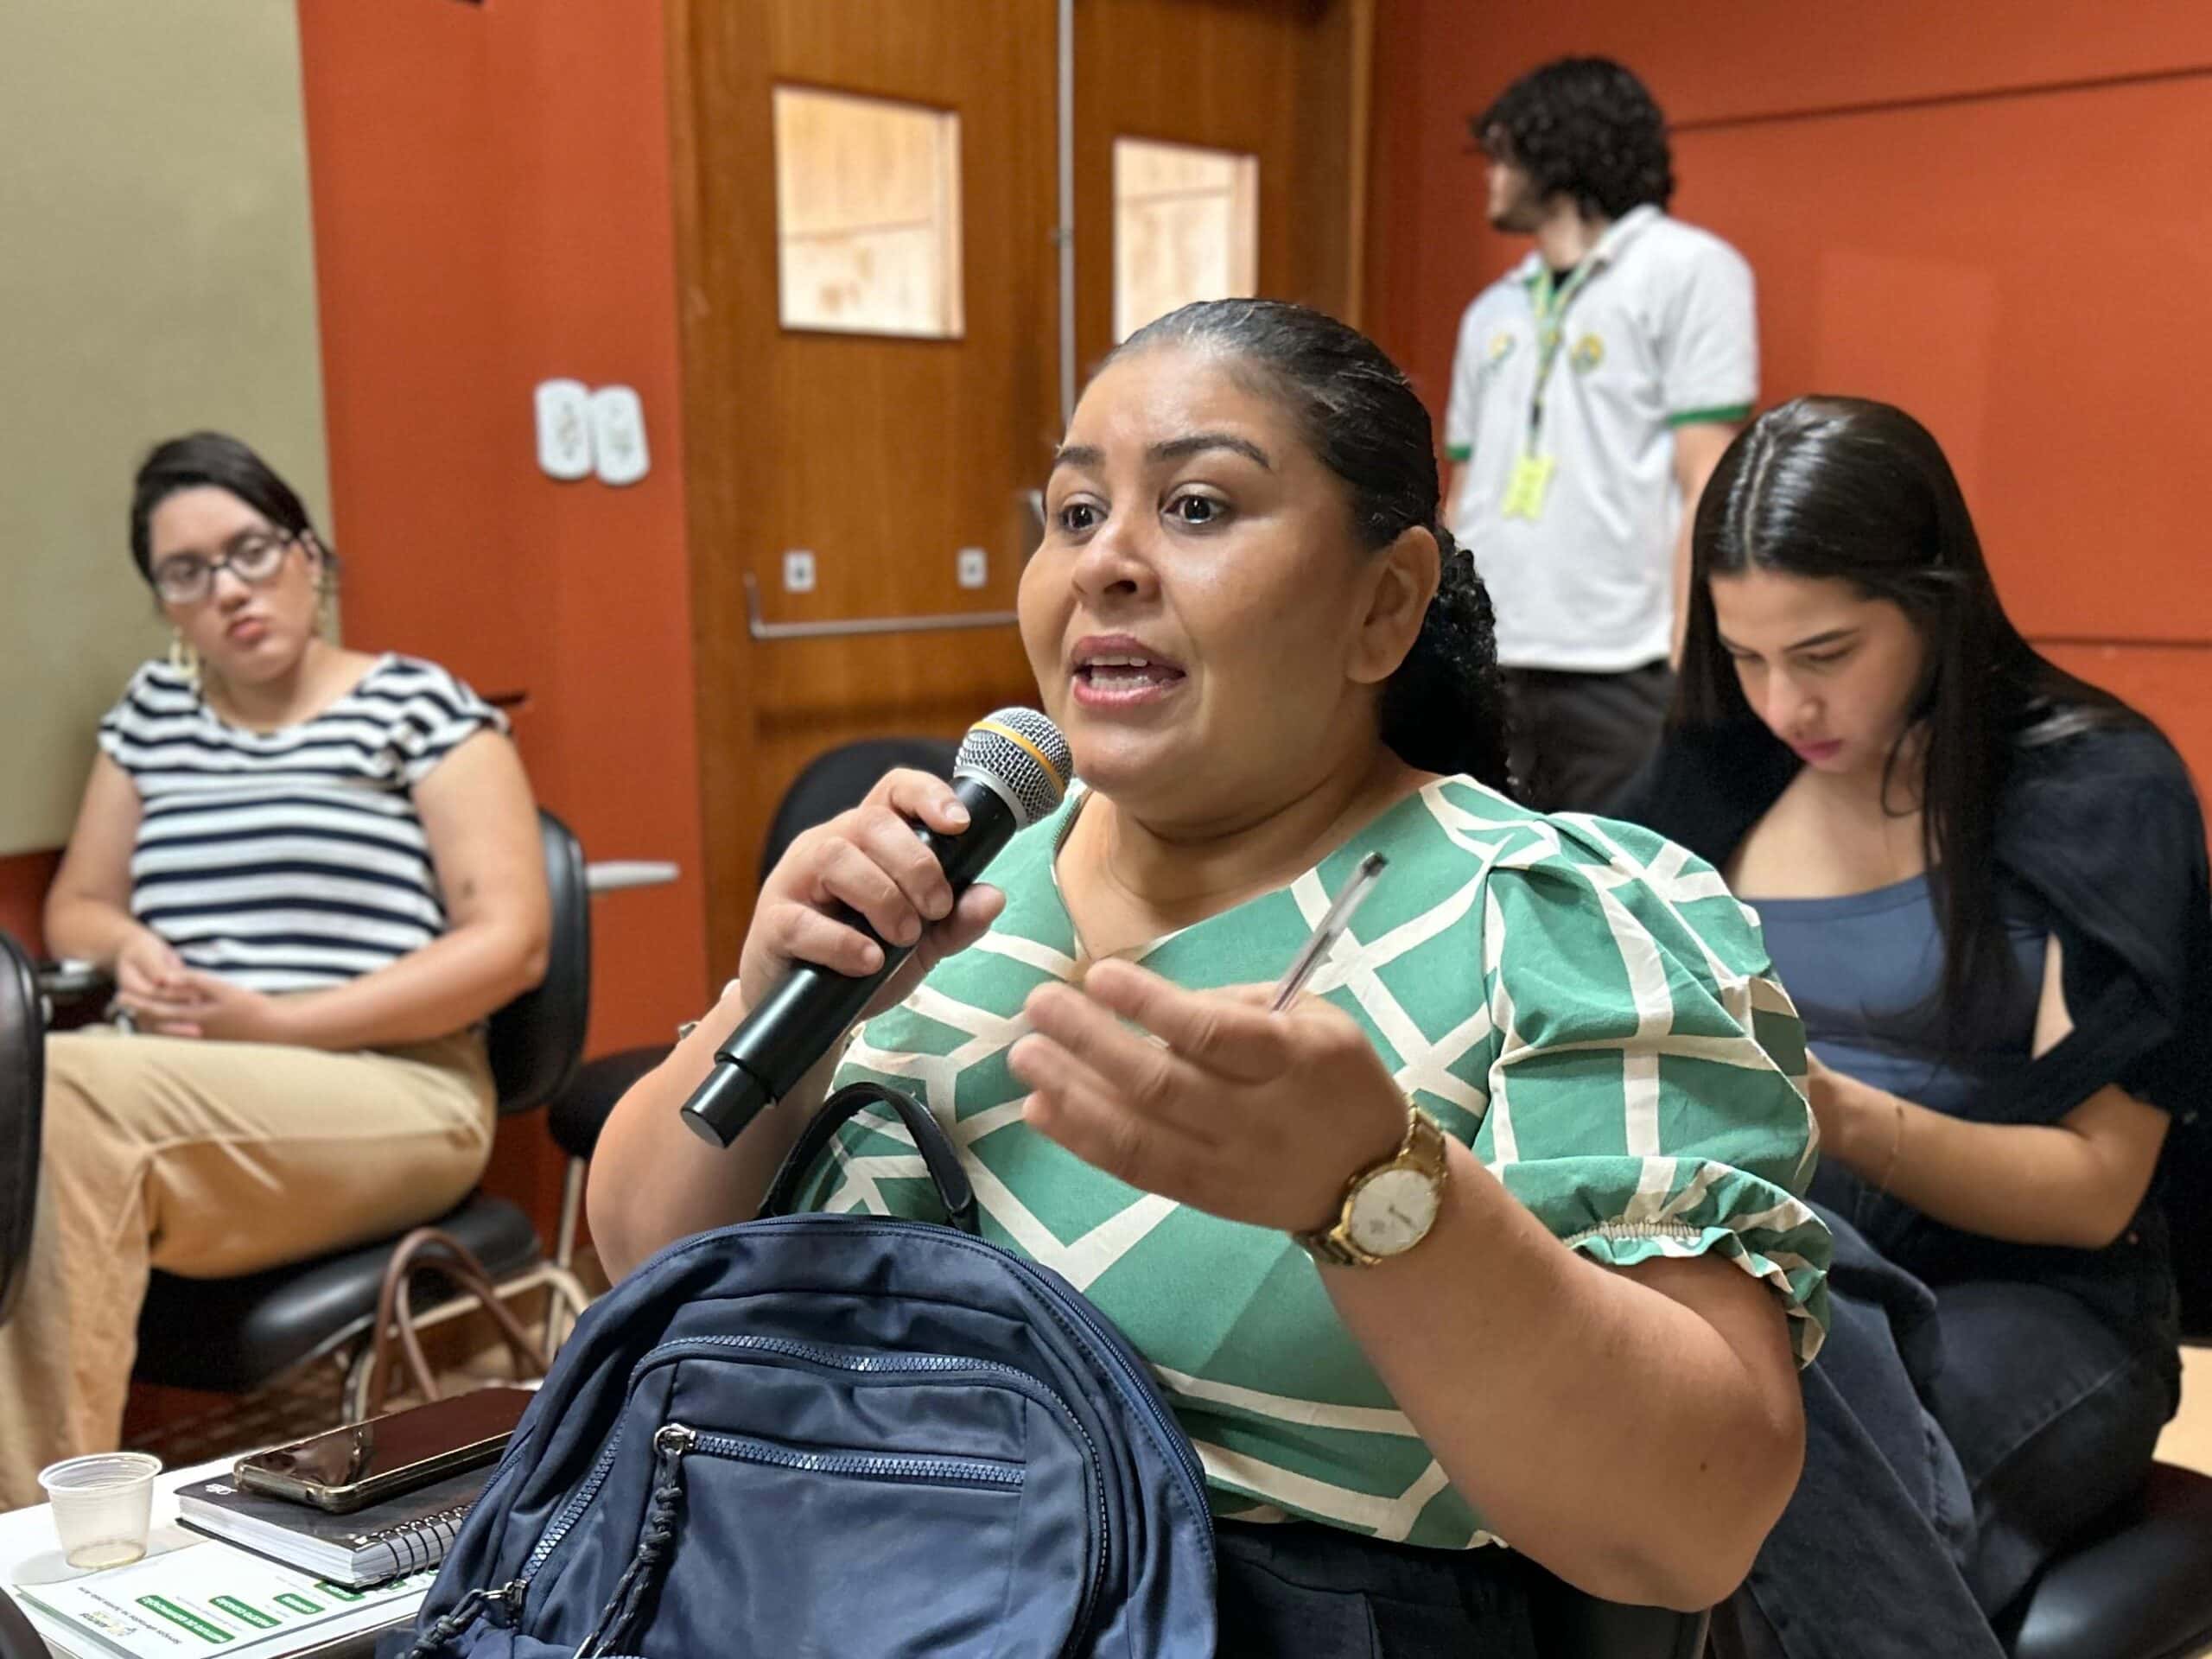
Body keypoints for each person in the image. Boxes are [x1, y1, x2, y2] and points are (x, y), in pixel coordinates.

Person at [589, 301, 1830, 1653]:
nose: (1106, 563)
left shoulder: (1556, 916)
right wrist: (771, 1000)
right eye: (1072, 514)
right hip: (772, 1580)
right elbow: (647, 1250)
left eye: (1194, 507)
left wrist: (1374, 1192)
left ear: (1385, 601)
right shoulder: (949, 876)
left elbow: (1694, 1521)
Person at [1614, 396, 2209, 1656]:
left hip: (2035, 1299)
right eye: (1751, 657)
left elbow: (2098, 1193)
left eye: (1825, 654)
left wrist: (1833, 1114)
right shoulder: (1722, 776)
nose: (1785, 702)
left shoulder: (2095, 792)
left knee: (1773, 1511)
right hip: (1778, 1275)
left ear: (1936, 604)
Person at [0, 433, 550, 1508]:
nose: (229, 590)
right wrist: (129, 946)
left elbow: (511, 942)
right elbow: (80, 905)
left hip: (394, 1084)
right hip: (177, 1087)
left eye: (251, 550)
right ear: (165, 601)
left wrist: (279, 1022)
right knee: (36, 1090)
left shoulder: (420, 708)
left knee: (53, 1096)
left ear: (310, 555)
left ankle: (35, 1544)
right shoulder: (150, 722)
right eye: (189, 572)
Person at [1446, 56, 1755, 811]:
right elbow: (1458, 497)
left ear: (1556, 148)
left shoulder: (1692, 271)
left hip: (1626, 660)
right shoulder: (1492, 310)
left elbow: (1706, 475)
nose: (1489, 174)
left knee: (1621, 894)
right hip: (1489, 657)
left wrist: (1694, 660)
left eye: (1503, 151)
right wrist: (1437, 643)